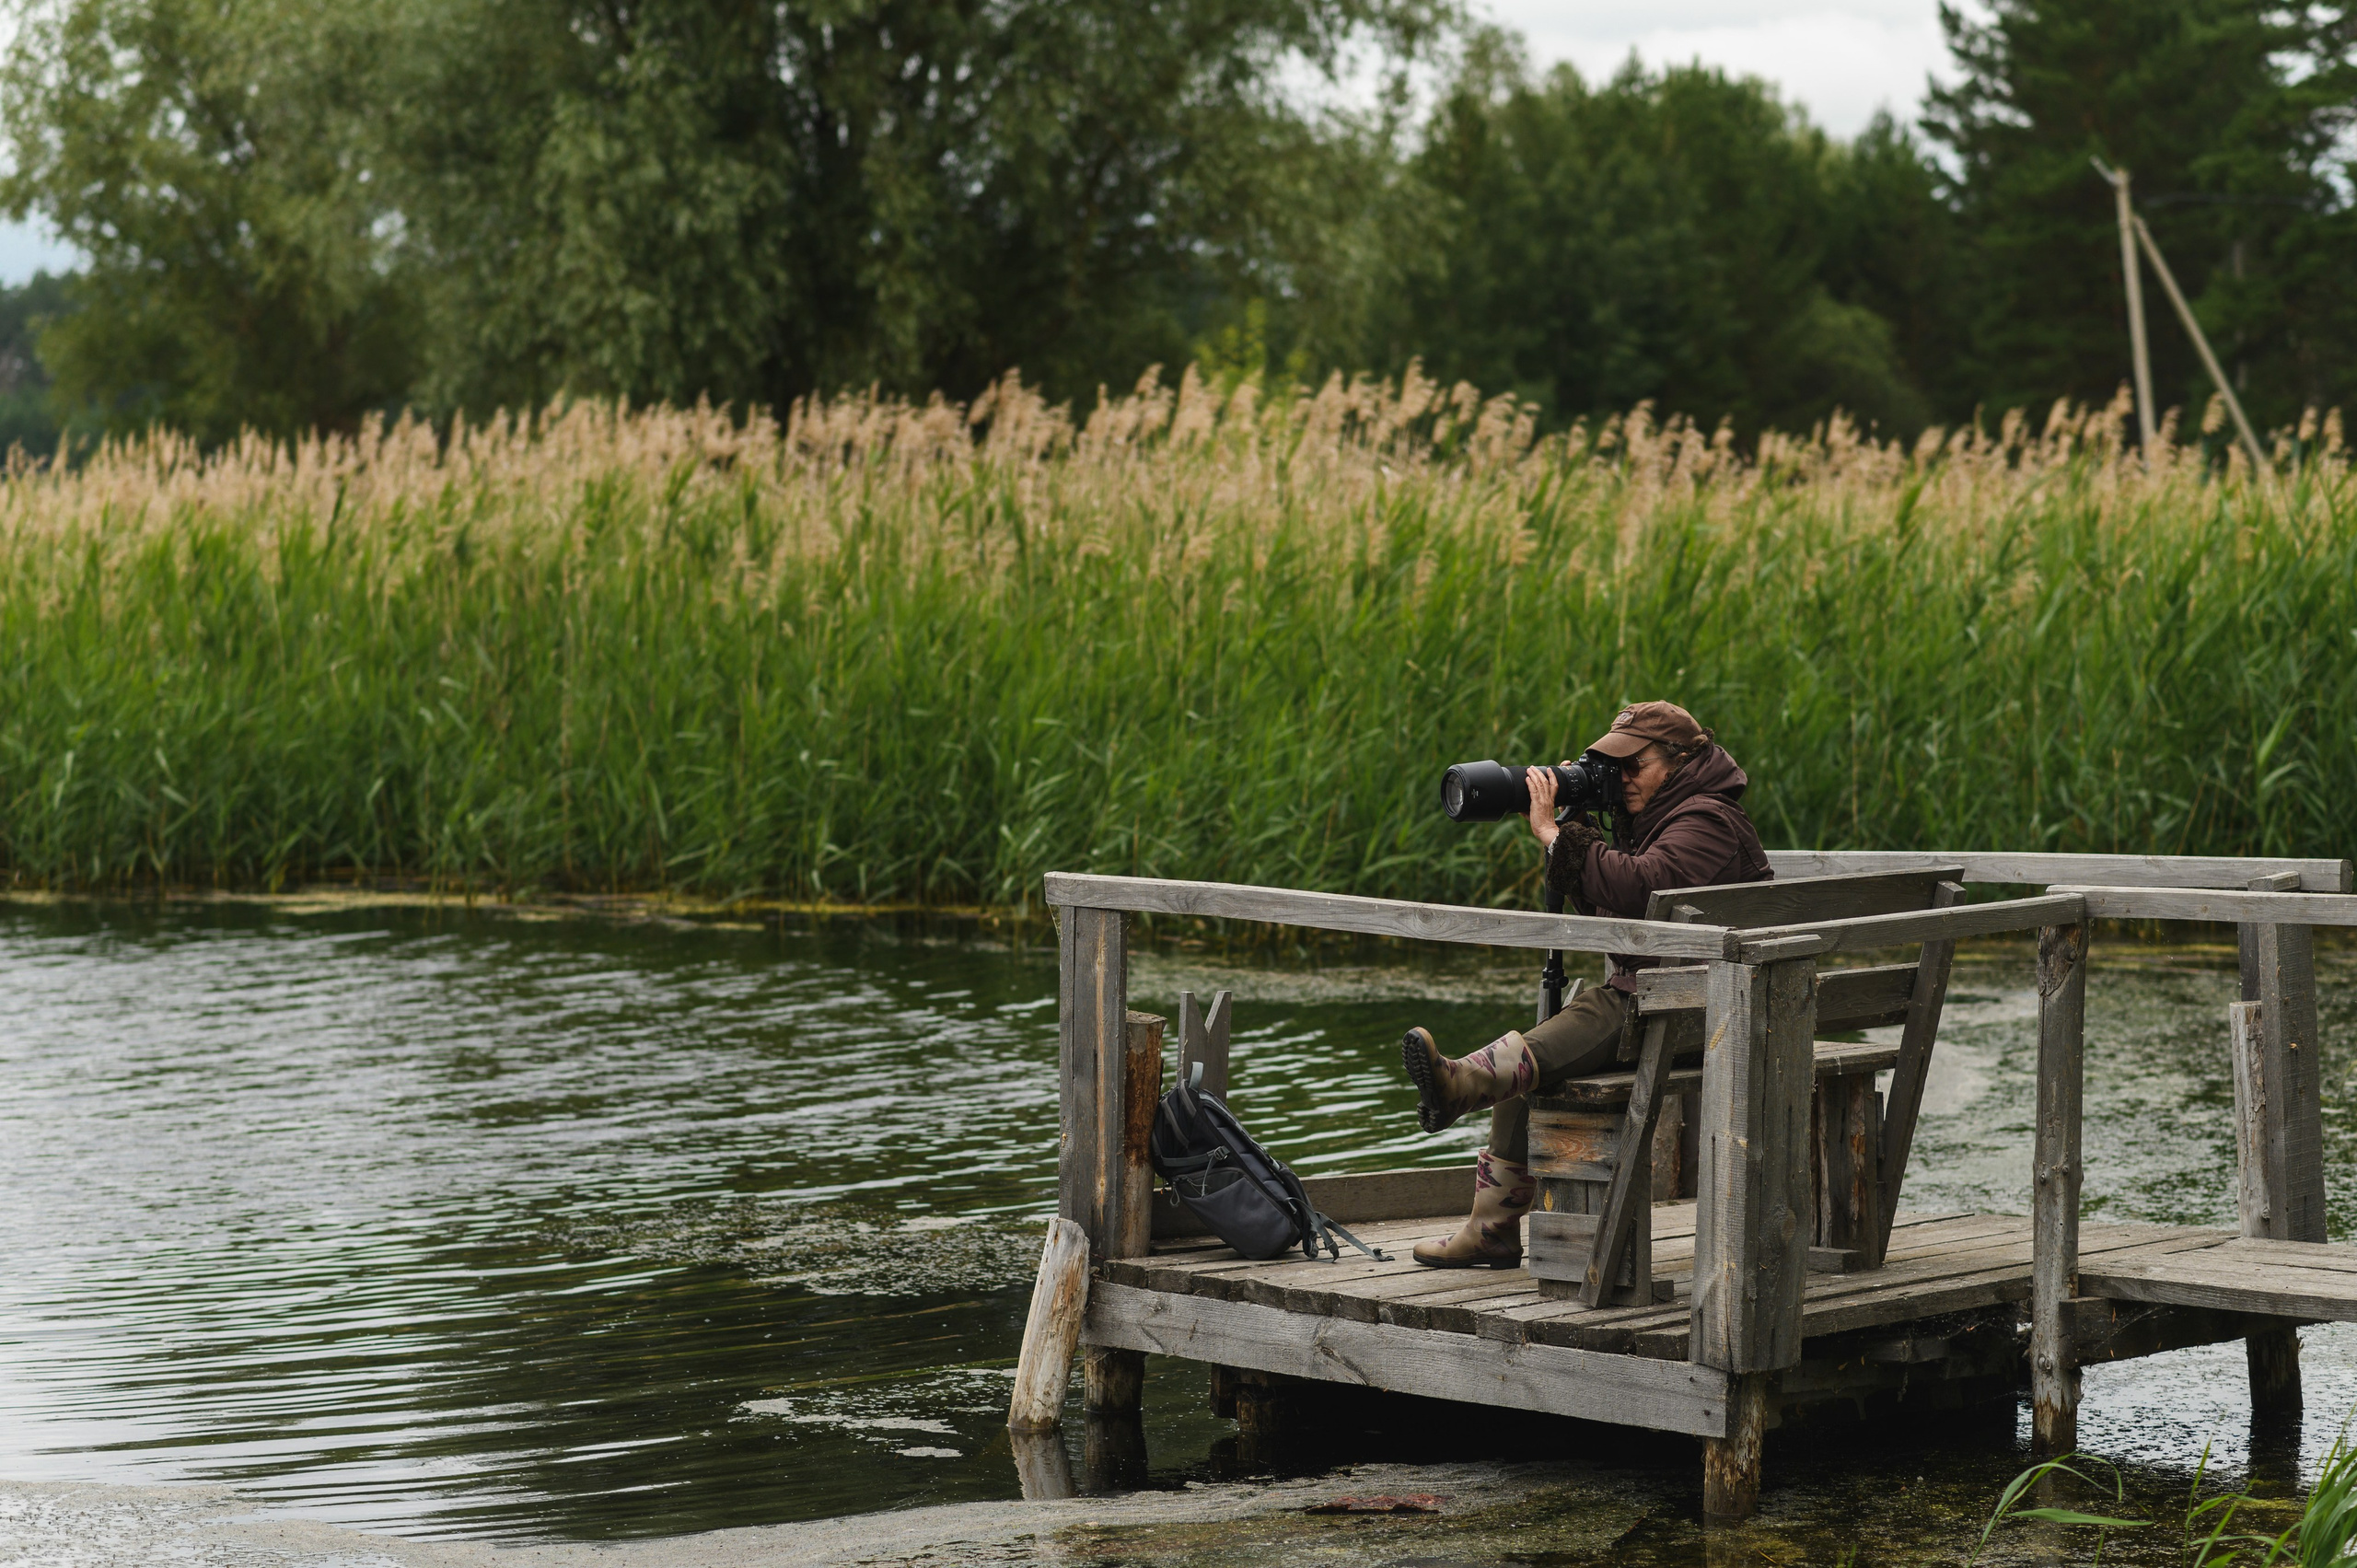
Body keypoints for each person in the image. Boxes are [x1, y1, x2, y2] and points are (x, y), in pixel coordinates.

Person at [1399, 701, 1772, 1268]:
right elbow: (1615, 911)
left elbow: (1643, 887)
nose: (1621, 779)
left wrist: (1558, 837)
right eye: (1613, 767)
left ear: (1679, 760)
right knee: (1536, 1061)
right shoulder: (1657, 819)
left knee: (1576, 1027)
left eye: (1633, 765)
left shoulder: (1708, 819)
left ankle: (1463, 1085)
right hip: (1671, 996)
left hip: (1715, 1007)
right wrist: (1577, 841)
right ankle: (1489, 1225)